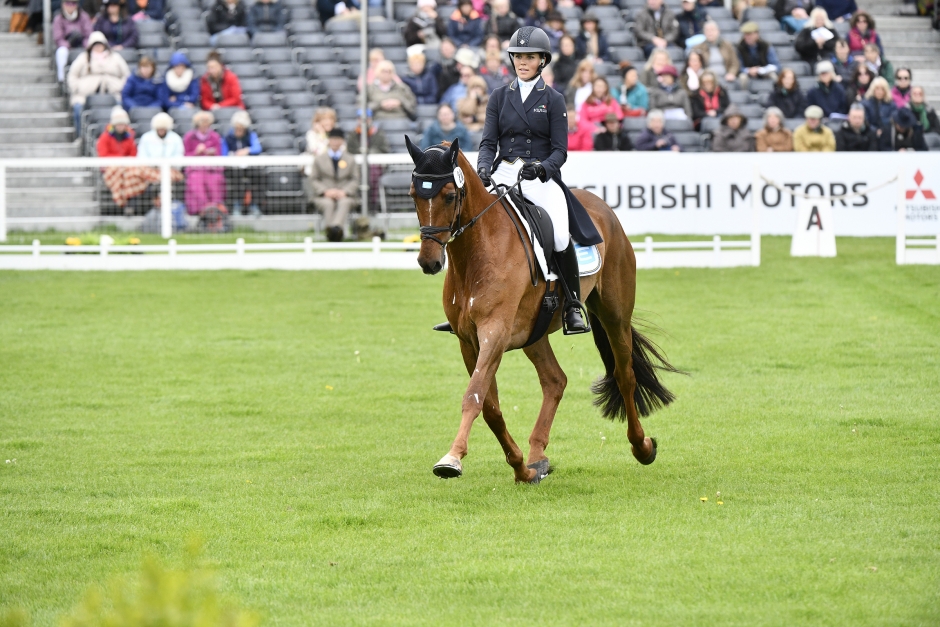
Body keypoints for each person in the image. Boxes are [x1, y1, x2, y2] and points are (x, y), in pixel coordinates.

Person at [475, 26, 604, 334]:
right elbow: (487, 143)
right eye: (518, 56)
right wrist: (482, 168)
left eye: (529, 57)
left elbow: (561, 151)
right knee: (471, 224)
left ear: (542, 61)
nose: (522, 62)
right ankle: (466, 301)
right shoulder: (498, 97)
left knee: (560, 236)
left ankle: (573, 304)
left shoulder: (554, 99)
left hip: (539, 179)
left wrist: (543, 168)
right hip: (502, 174)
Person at [66, 31, 130, 132]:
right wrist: (77, 87)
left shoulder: (115, 57)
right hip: (84, 95)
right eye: (95, 45)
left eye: (100, 44)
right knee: (78, 109)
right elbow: (72, 75)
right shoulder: (83, 58)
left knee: (123, 108)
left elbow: (126, 74)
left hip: (113, 94)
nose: (98, 47)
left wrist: (120, 86)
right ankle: (80, 136)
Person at [310, 128, 359, 242]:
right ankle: (334, 232)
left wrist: (345, 191)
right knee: (328, 204)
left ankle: (334, 229)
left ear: (342, 141)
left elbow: (355, 179)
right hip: (324, 195)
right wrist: (325, 191)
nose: (335, 142)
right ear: (329, 140)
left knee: (345, 202)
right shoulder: (319, 159)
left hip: (345, 195)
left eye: (338, 139)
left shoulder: (350, 159)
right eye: (333, 139)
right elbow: (313, 179)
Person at [183, 110, 226, 215]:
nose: (205, 124)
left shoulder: (215, 136)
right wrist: (196, 152)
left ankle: (216, 208)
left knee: (215, 180)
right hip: (195, 168)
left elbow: (219, 155)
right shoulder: (189, 137)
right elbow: (185, 156)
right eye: (202, 122)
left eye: (207, 122)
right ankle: (201, 210)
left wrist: (212, 154)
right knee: (196, 180)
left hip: (211, 168)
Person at [53, 0, 93, 82]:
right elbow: (58, 38)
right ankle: (62, 79)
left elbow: (89, 34)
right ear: (63, 5)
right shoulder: (58, 18)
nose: (70, 5)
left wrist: (84, 44)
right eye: (68, 3)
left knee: (91, 51)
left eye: (73, 3)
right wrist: (69, 44)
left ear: (77, 5)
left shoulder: (84, 16)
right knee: (61, 52)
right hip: (66, 47)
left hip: (82, 46)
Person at [737, 22, 780, 87]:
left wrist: (761, 70)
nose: (747, 37)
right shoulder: (740, 48)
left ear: (757, 34)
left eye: (749, 34)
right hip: (747, 73)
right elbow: (738, 66)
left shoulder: (766, 46)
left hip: (764, 71)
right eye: (745, 34)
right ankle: (743, 95)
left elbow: (776, 65)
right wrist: (748, 70)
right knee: (742, 77)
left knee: (774, 76)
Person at [862, 76, 897, 149]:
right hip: (870, 136)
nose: (880, 91)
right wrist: (874, 131)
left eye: (882, 89)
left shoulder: (891, 105)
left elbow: (892, 120)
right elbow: (865, 120)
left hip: (887, 136)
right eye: (877, 88)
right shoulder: (866, 104)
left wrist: (883, 130)